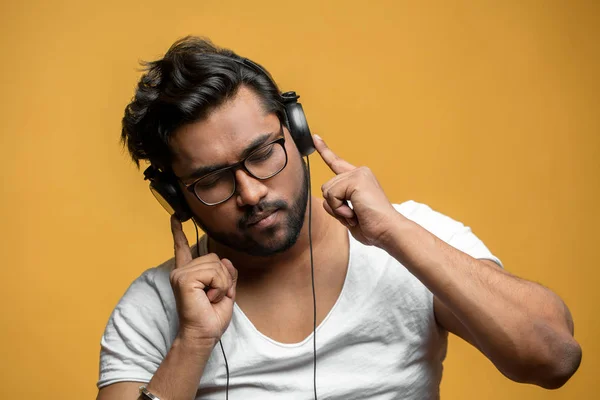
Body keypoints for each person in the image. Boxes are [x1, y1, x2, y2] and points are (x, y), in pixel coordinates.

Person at [96, 36, 581, 400]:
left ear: (299, 134)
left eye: (263, 153)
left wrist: (395, 234)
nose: (251, 191)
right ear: (175, 197)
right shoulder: (155, 307)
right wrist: (193, 341)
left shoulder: (406, 240)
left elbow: (554, 358)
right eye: (212, 180)